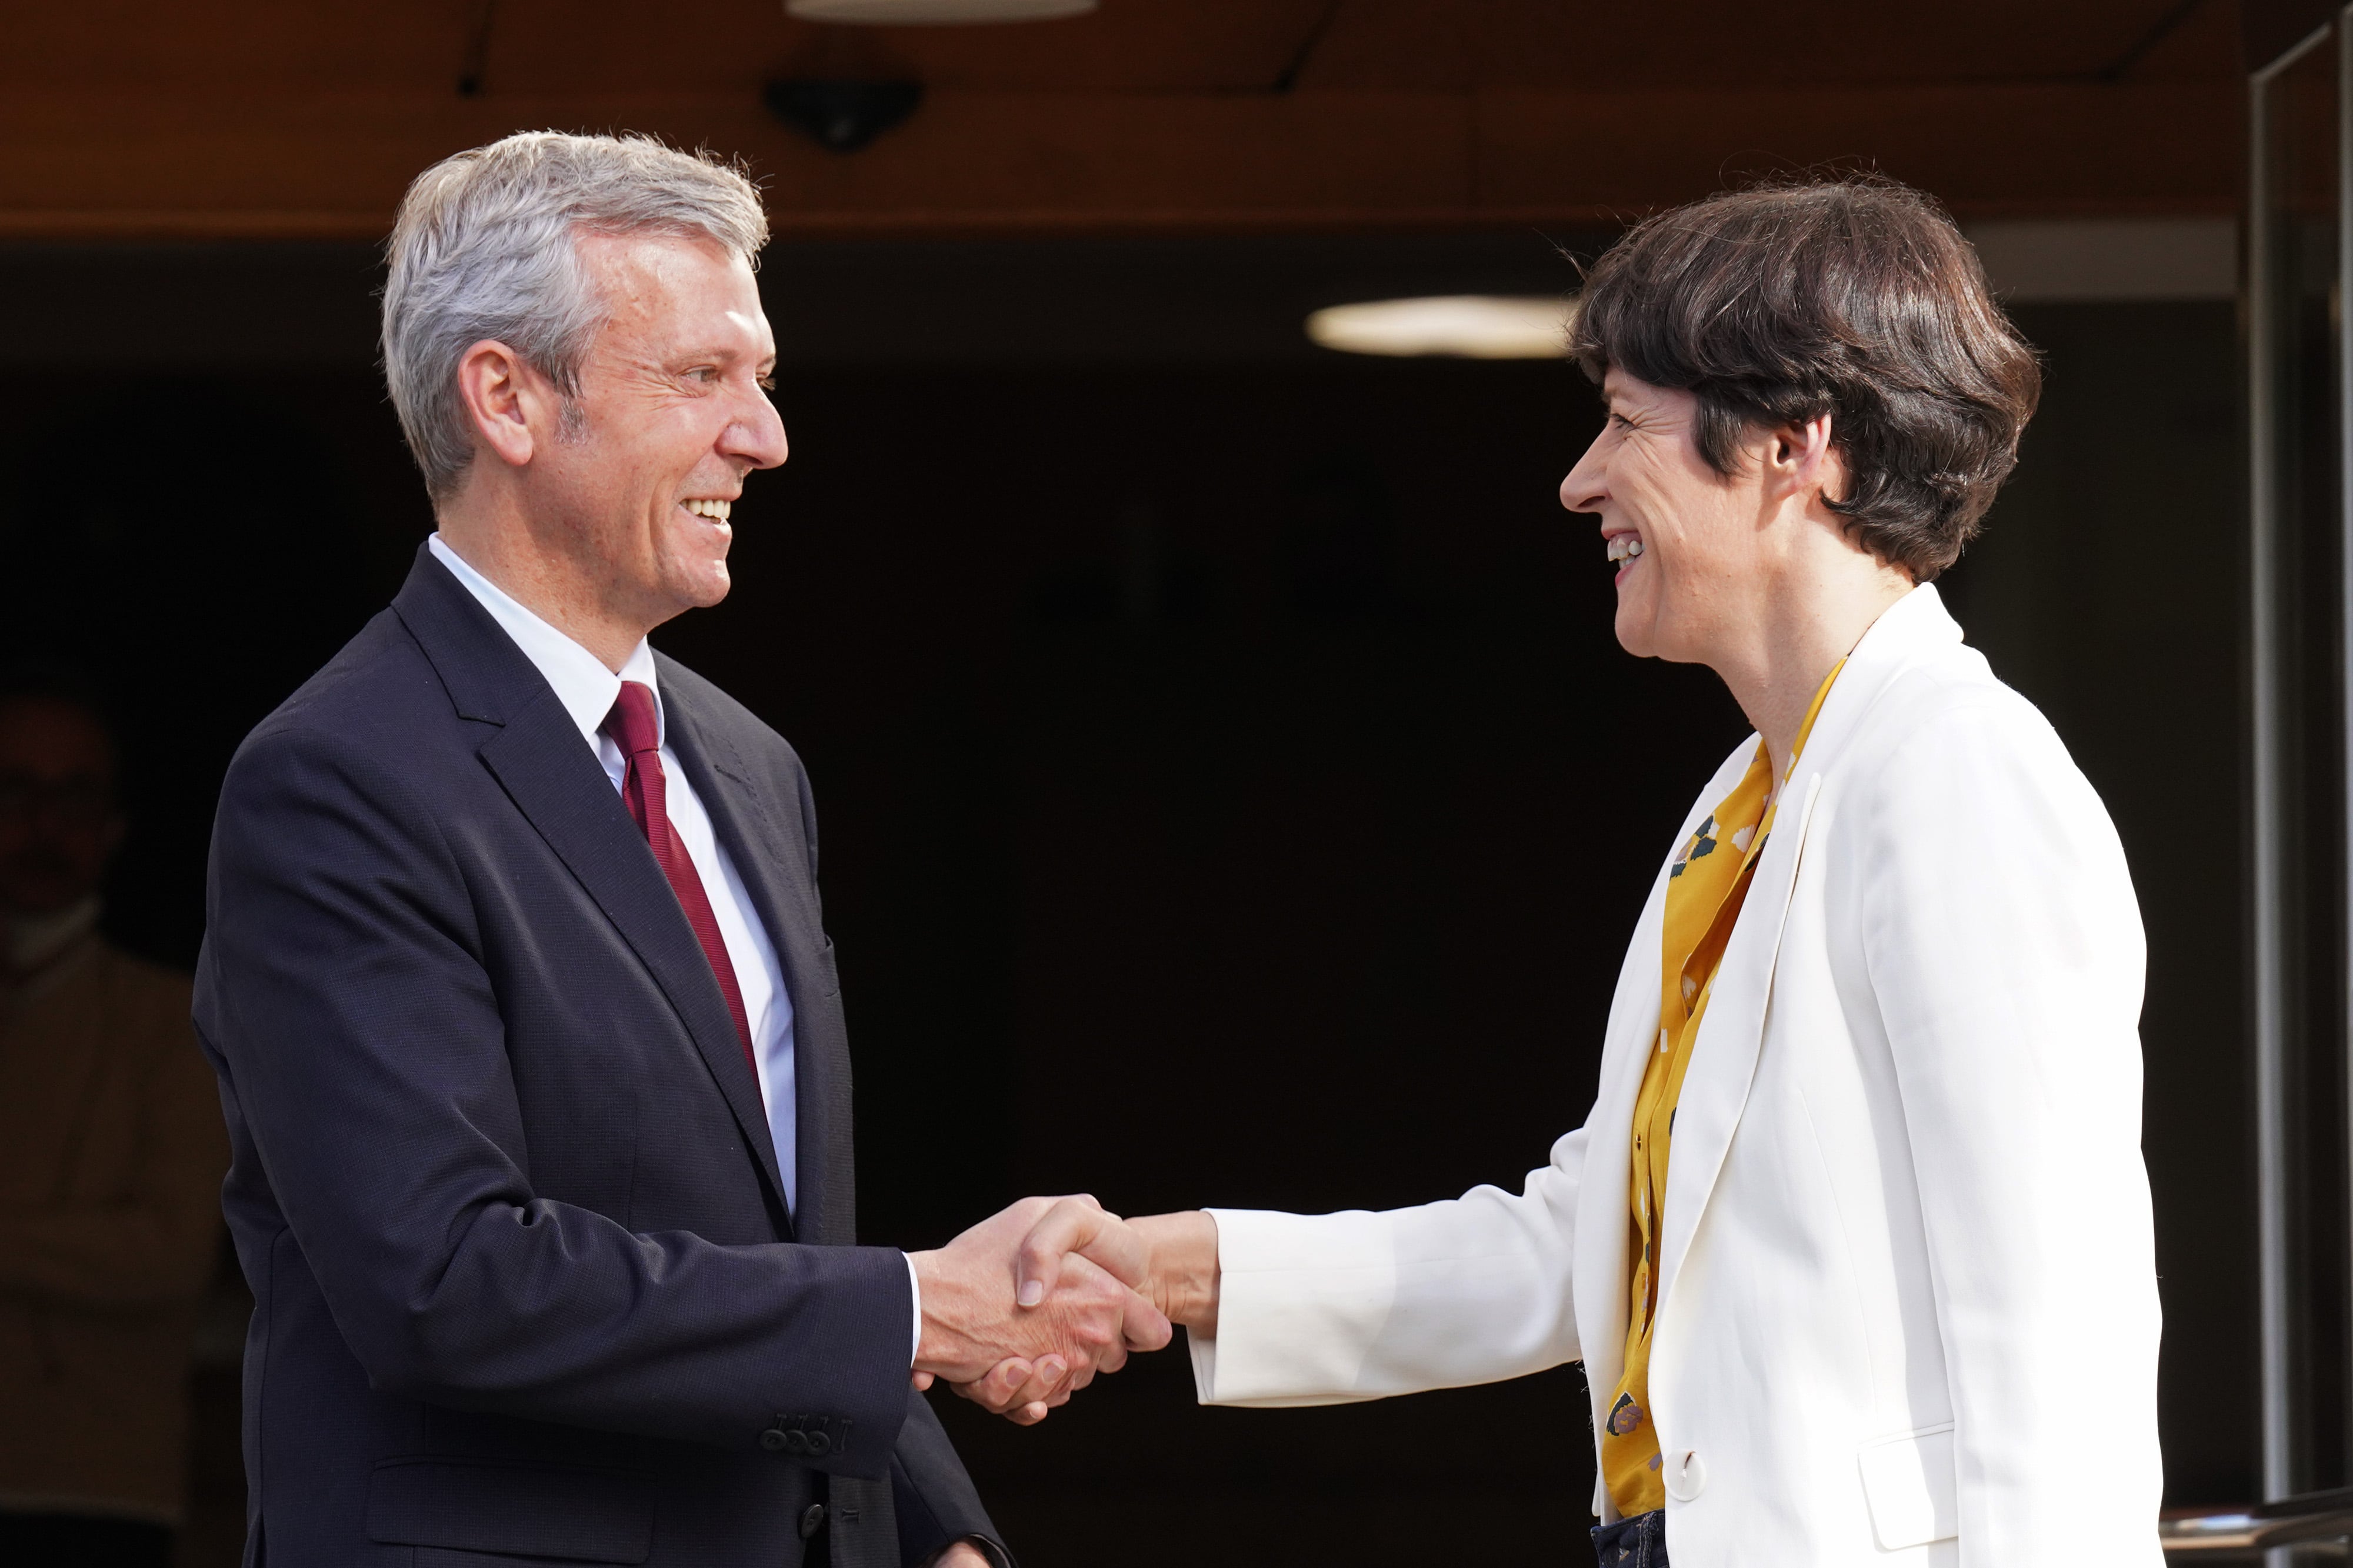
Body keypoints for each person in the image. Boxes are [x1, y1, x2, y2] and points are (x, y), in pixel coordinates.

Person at [999, 177, 2165, 1566]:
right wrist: (1178, 1266)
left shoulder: (1956, 777)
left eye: (1624, 423)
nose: (1577, 479)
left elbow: (2054, 1323)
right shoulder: (1745, 798)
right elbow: (1591, 1240)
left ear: (1795, 448)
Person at [194, 131, 1166, 1568]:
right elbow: (446, 1276)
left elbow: (770, 1240)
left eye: (759, 379)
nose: (763, 435)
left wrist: (930, 1526)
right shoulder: (335, 779)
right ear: (508, 399)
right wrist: (922, 1312)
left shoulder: (748, 766)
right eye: (702, 378)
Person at [0, 673, 228, 1566]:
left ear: (114, 827)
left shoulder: (174, 1021)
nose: (44, 823)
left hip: (95, 1488)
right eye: (17, 790)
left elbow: (167, 1252)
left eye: (74, 794)